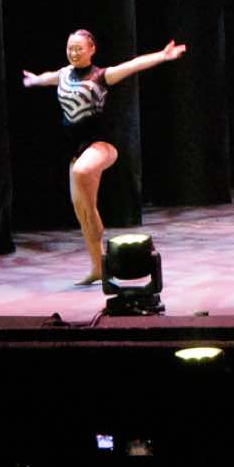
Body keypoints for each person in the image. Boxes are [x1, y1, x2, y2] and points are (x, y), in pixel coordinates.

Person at [21, 30, 187, 285]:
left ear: (92, 50)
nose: (74, 53)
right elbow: (48, 78)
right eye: (70, 48)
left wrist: (162, 56)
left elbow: (132, 65)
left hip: (102, 145)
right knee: (84, 212)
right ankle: (98, 267)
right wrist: (34, 80)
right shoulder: (63, 74)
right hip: (76, 151)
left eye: (79, 48)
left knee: (81, 172)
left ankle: (101, 256)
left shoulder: (101, 76)